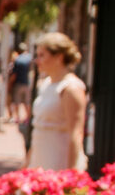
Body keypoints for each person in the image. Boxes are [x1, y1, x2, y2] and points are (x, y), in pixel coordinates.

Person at [27, 31, 87, 170]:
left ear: (59, 57)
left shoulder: (71, 88)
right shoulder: (46, 84)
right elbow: (39, 128)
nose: (37, 60)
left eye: (42, 55)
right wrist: (27, 164)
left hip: (59, 161)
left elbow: (76, 133)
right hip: (41, 159)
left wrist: (71, 172)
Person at [6, 44, 33, 127]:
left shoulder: (17, 59)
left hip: (18, 83)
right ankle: (28, 118)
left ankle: (17, 117)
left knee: (17, 102)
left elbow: (14, 75)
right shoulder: (30, 58)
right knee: (27, 102)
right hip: (27, 83)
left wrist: (9, 84)